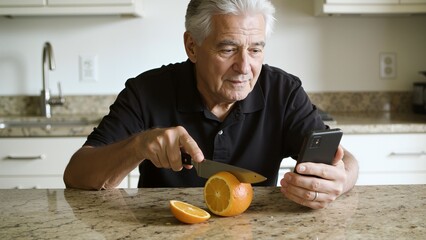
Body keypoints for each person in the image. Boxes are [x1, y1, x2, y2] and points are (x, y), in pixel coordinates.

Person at [64, 0, 358, 210]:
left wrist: (337, 181)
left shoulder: (285, 91)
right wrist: (138, 146)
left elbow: (347, 162)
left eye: (255, 49)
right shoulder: (146, 91)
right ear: (192, 46)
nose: (244, 67)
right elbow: (76, 174)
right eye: (228, 49)